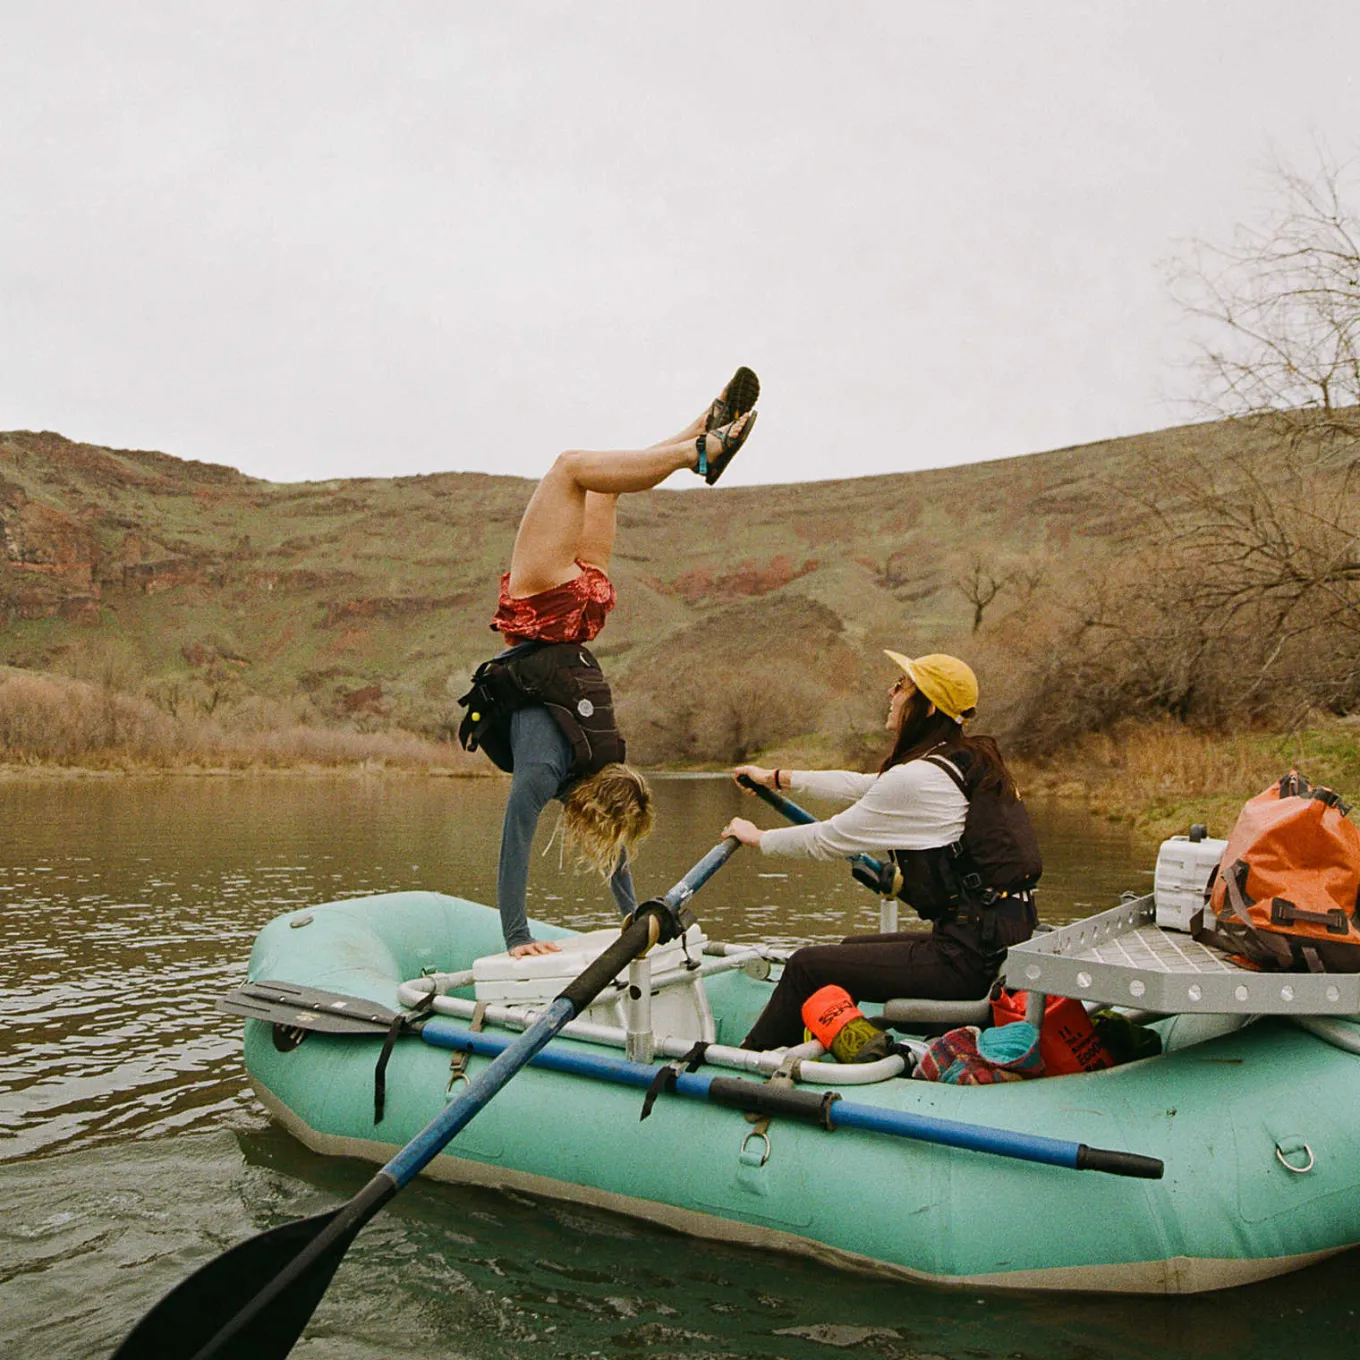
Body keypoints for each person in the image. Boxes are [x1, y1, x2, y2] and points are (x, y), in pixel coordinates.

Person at [459, 368, 760, 957]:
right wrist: (523, 933)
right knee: (573, 470)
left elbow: (595, 845)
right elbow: (522, 843)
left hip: (583, 610)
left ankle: (701, 436)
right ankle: (699, 446)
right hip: (544, 608)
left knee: (596, 482)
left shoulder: (605, 759)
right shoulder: (553, 773)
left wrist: (625, 915)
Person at [721, 651, 1041, 1052]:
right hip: (997, 938)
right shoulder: (960, 760)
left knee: (805, 965)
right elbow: (862, 785)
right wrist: (776, 778)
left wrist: (757, 837)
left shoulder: (920, 777)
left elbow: (828, 839)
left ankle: (750, 1064)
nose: (891, 693)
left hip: (968, 957)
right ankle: (842, 1048)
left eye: (902, 685)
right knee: (847, 951)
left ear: (928, 707)